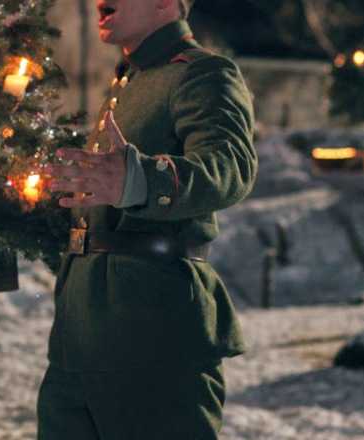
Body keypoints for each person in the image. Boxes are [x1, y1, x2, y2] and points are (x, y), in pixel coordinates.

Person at [38, 0, 257, 438]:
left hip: (153, 337)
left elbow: (230, 166)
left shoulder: (202, 72)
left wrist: (140, 179)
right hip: (78, 339)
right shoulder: (127, 82)